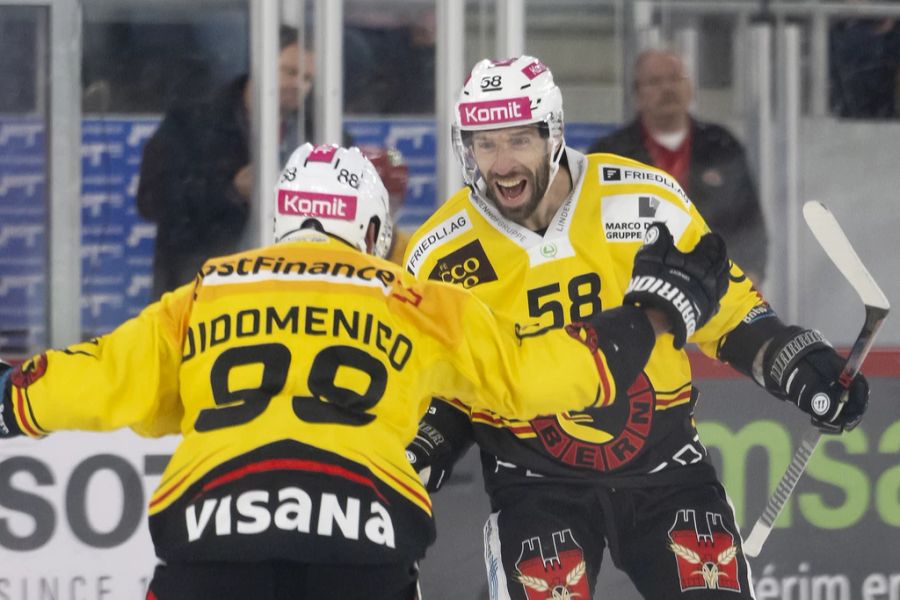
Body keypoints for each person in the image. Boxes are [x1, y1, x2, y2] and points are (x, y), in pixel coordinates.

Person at [0, 142, 725, 600]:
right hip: (361, 532)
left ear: (284, 223)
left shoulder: (207, 292)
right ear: (373, 232)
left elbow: (94, 378)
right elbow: (530, 376)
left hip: (211, 527)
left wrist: (10, 399)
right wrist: (652, 318)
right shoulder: (414, 299)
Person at [403, 56, 869, 600]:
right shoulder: (439, 253)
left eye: (518, 141)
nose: (501, 163)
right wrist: (424, 444)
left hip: (667, 470)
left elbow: (732, 316)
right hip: (534, 483)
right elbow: (447, 381)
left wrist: (798, 366)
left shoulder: (648, 203)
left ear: (552, 133)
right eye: (485, 144)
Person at [137, 25, 335, 300]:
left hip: (290, 298)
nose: (299, 85)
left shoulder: (321, 132)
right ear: (260, 64)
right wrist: (229, 190)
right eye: (289, 72)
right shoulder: (193, 123)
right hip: (203, 293)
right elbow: (153, 198)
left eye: (308, 78)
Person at [589, 49, 768, 286]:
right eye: (655, 82)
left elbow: (750, 221)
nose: (667, 89)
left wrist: (751, 275)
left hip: (716, 287)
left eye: (675, 78)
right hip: (634, 288)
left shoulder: (721, 145)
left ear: (690, 87)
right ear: (637, 94)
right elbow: (591, 225)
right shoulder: (611, 154)